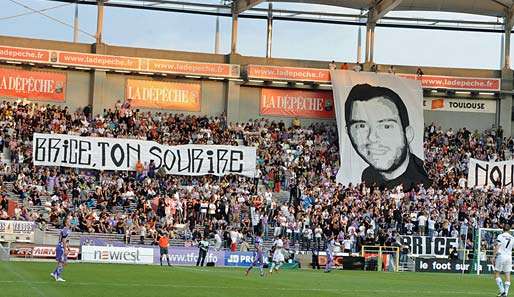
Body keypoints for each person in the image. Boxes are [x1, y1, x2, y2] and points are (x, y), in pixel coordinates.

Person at [344, 84, 430, 189]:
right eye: (361, 126)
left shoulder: (423, 179)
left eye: (386, 126)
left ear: (408, 134)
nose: (372, 138)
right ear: (348, 132)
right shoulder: (368, 175)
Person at [493, 223, 514, 297]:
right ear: (509, 230)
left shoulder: (500, 236)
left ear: (503, 229)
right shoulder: (512, 237)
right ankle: (506, 293)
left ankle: (502, 292)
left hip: (501, 256)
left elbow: (497, 246)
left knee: (497, 273)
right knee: (507, 275)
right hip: (509, 257)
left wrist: (493, 256)